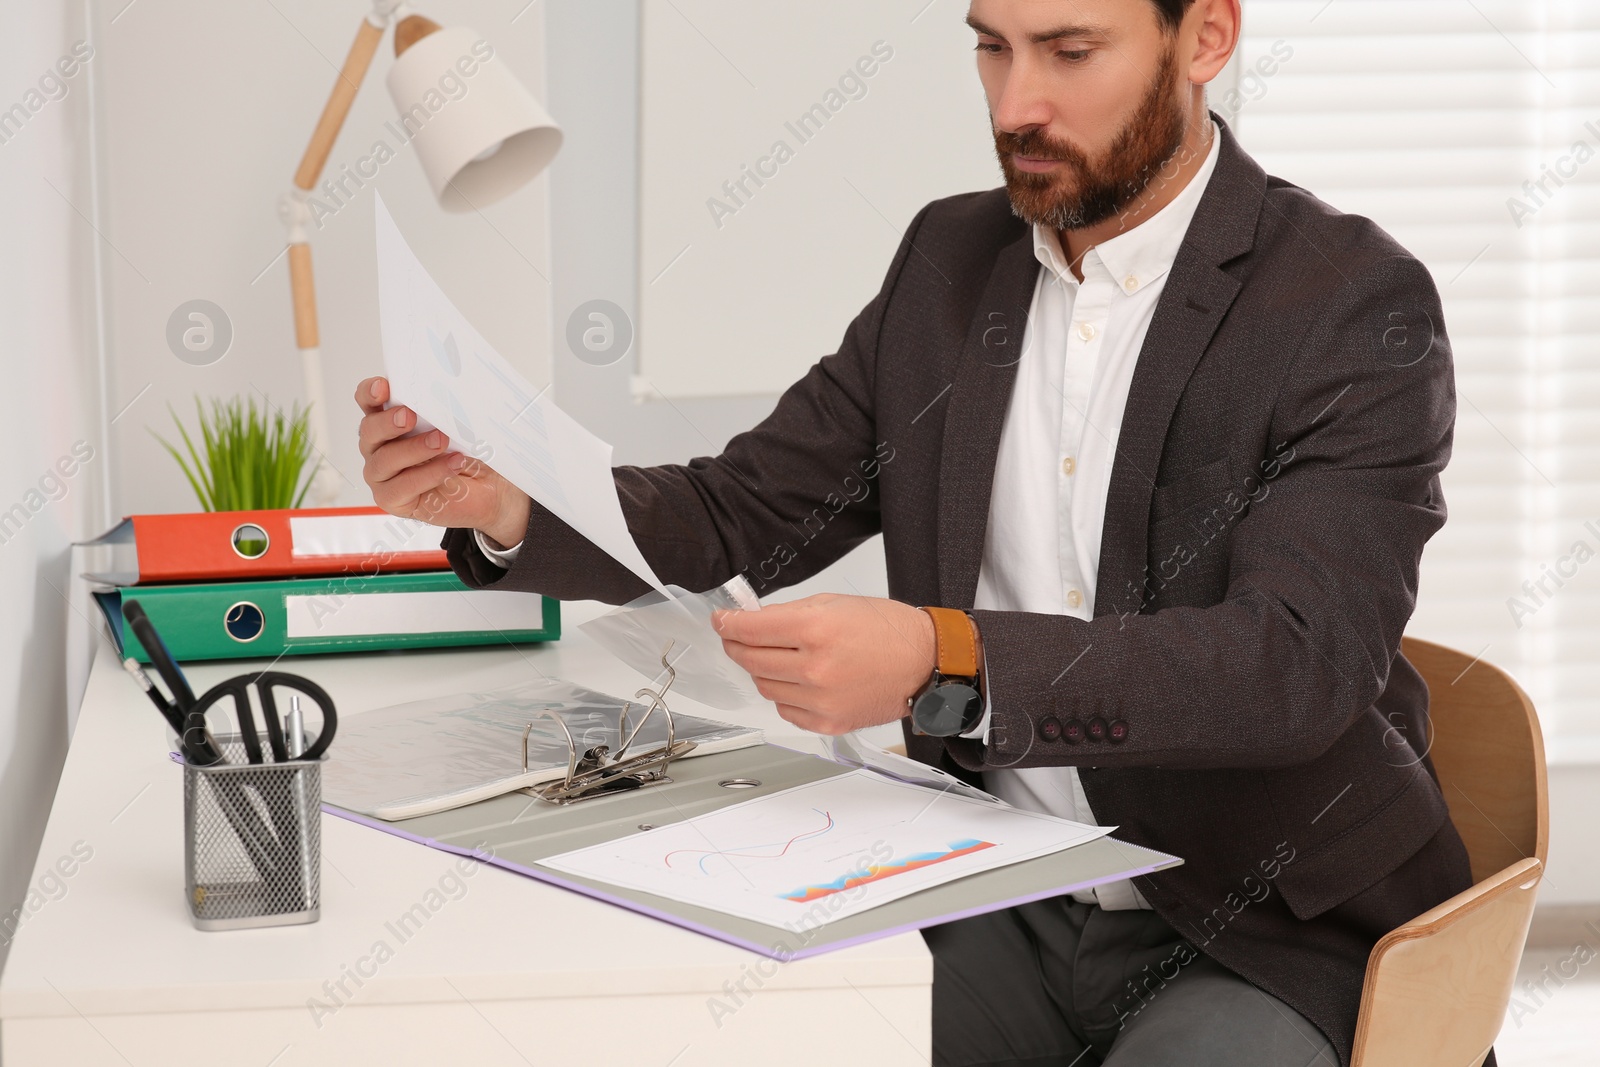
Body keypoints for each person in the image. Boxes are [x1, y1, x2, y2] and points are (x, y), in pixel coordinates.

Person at [356, 1, 1479, 1063]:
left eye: (1068, 51)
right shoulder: (950, 263)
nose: (1010, 105)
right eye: (990, 47)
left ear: (1206, 37)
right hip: (994, 887)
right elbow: (734, 511)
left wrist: (948, 656)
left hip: (1255, 919)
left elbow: (1290, 665)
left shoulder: (1349, 304)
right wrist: (503, 506)